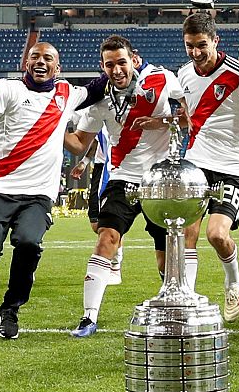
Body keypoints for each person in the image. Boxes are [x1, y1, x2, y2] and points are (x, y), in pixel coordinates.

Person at [0, 41, 92, 338]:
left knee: (28, 244)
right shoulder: (9, 88)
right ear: (26, 62)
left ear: (57, 68)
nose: (40, 61)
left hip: (39, 194)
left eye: (48, 58)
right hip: (1, 186)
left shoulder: (67, 94)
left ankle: (11, 309)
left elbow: (99, 87)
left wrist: (129, 71)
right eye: (34, 56)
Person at [62, 35, 182, 337]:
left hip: (160, 178)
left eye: (121, 62)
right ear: (103, 68)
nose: (116, 70)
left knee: (164, 255)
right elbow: (79, 144)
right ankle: (89, 317)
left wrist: (163, 121)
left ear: (135, 60)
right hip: (123, 178)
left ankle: (173, 310)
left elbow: (190, 115)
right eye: (109, 65)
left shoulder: (162, 79)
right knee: (106, 237)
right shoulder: (99, 101)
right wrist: (53, 126)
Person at [174, 12, 239, 321]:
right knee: (186, 232)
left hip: (233, 167)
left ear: (215, 41)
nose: (195, 53)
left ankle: (233, 281)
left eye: (201, 45)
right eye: (189, 46)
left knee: (217, 234)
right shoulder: (183, 74)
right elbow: (187, 116)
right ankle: (186, 298)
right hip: (196, 163)